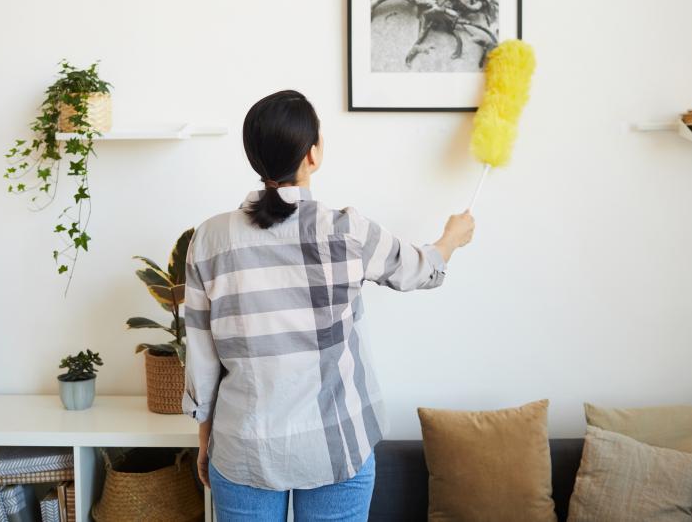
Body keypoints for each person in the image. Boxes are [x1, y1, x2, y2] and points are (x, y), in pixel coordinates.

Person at [183, 90, 475, 521]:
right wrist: (452, 238)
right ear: (312, 154)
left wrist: (205, 438)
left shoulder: (209, 239)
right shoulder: (347, 232)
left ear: (255, 157)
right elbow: (420, 270)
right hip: (337, 445)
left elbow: (202, 357)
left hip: (243, 447)